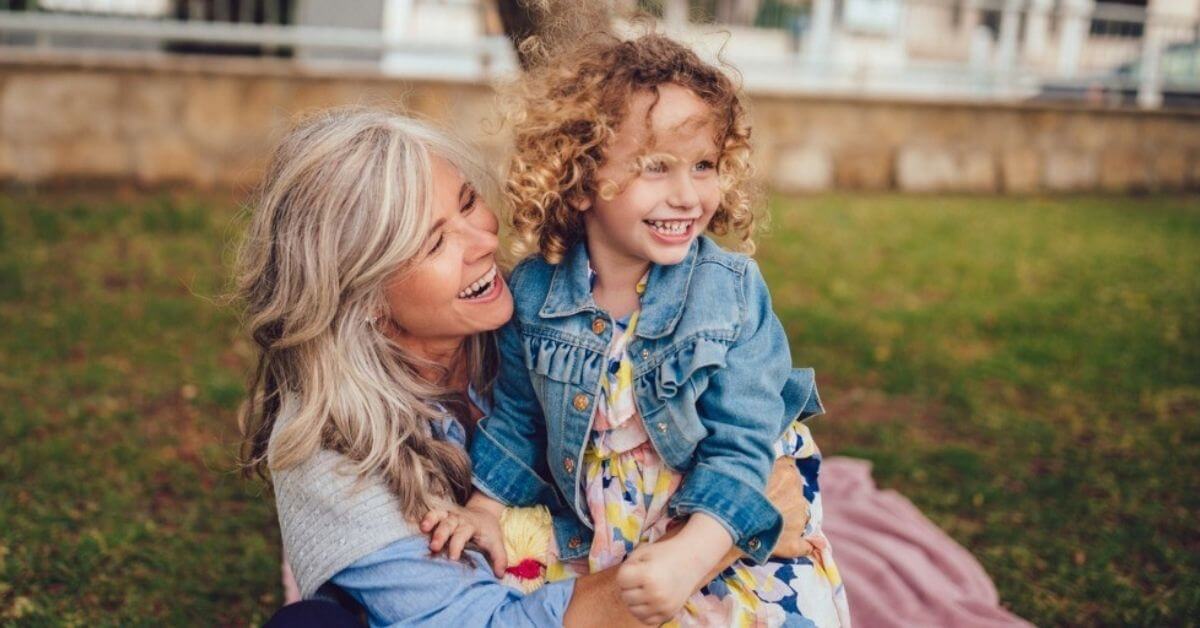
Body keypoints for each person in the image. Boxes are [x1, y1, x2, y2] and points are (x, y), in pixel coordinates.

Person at [236, 108, 814, 626]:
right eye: (434, 244)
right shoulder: (327, 452)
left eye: (467, 204)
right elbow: (487, 623)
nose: (482, 243)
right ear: (363, 299)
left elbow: (731, 420)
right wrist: (726, 537)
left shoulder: (532, 321)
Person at [458, 33, 852, 626]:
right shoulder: (536, 294)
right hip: (599, 527)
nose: (688, 195)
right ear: (582, 176)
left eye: (704, 166)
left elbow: (744, 443)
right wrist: (484, 507)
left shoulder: (730, 292)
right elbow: (520, 418)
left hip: (721, 515)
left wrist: (693, 554)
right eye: (656, 168)